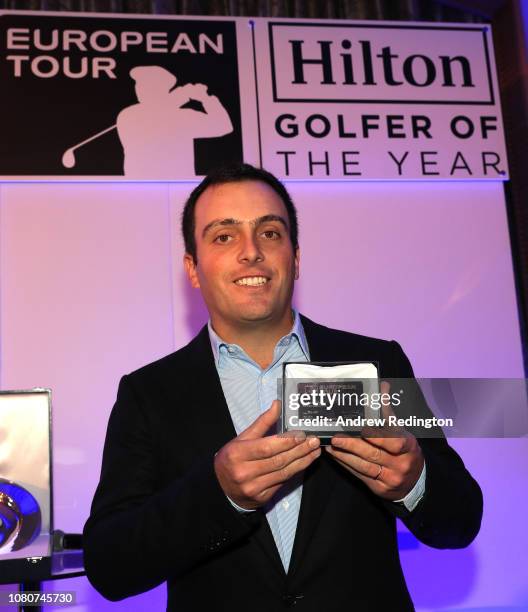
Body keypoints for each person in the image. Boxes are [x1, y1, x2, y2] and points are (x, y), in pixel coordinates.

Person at [83, 163, 483, 611]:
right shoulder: (149, 393)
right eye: (223, 236)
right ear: (192, 269)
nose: (251, 251)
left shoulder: (375, 363)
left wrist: (414, 482)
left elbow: (461, 520)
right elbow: (109, 565)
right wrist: (219, 495)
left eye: (270, 232)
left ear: (295, 258)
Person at [116, 66, 233, 178]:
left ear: (162, 89)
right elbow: (157, 111)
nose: (139, 88)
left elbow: (224, 126)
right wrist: (198, 96)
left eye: (146, 85)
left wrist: (204, 98)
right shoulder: (129, 115)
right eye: (139, 84)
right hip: (140, 188)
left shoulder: (181, 115)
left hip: (178, 190)